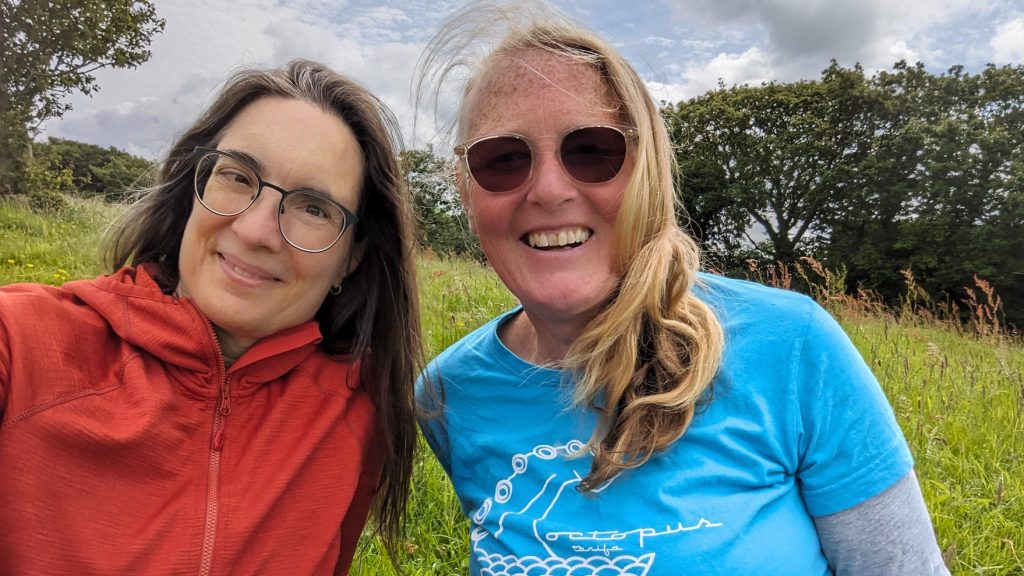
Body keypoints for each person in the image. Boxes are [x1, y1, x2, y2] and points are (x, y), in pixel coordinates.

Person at [415, 3, 949, 574]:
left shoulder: (791, 348)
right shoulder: (448, 395)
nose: (548, 189)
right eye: (502, 159)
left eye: (592, 151)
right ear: (465, 192)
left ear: (647, 168)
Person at [0, 59, 421, 574]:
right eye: (238, 176)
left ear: (352, 256)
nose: (254, 231)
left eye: (313, 207)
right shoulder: (21, 342)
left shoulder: (361, 410)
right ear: (191, 187)